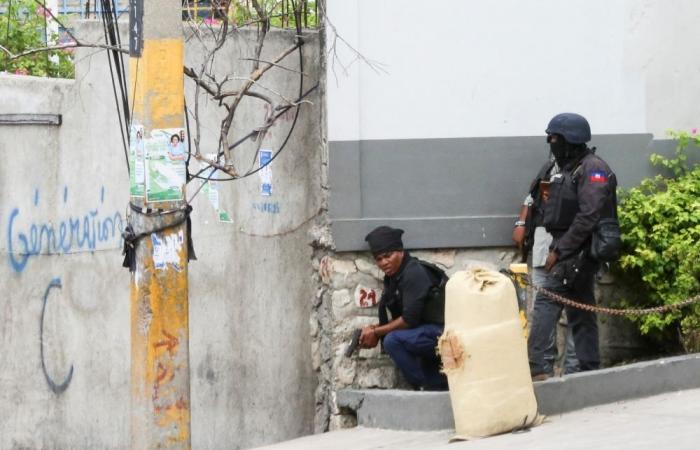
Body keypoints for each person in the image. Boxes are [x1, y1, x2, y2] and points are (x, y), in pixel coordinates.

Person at [526, 113, 617, 380]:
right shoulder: (568, 167)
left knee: (546, 301)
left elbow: (588, 216)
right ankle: (589, 372)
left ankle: (538, 368)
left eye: (554, 137)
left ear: (570, 139)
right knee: (581, 310)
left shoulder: (593, 169)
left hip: (577, 251)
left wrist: (559, 251)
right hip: (570, 248)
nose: (550, 142)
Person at [358, 226, 448, 391]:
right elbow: (406, 317)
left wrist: (377, 332)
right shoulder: (394, 277)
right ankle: (434, 382)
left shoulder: (413, 273)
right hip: (427, 331)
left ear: (400, 251)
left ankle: (427, 386)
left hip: (445, 333)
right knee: (392, 336)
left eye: (388, 256)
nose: (384, 262)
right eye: (379, 259)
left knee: (392, 340)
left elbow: (409, 320)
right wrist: (374, 329)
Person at [513, 156, 580, 376]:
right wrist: (521, 222)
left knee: (576, 312)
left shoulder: (585, 169)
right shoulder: (549, 166)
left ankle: (574, 369)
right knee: (542, 310)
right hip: (543, 244)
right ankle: (543, 367)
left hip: (572, 248)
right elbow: (531, 197)